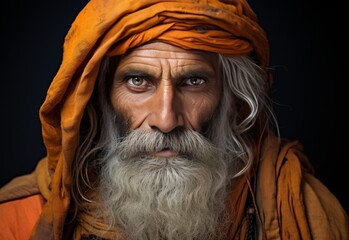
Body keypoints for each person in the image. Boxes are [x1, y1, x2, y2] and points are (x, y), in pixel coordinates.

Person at [0, 0, 348, 239]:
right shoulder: (19, 218)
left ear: (231, 99)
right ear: (98, 98)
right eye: (138, 81)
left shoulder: (300, 207)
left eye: (193, 82)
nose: (167, 119)